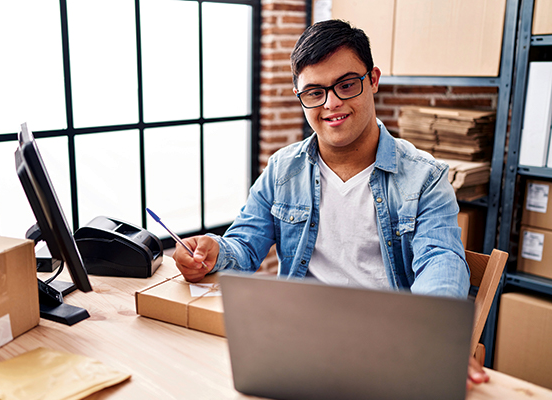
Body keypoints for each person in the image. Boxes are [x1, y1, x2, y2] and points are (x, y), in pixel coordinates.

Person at [172, 19, 489, 388]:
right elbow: (243, 246)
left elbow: (441, 261)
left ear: (373, 80)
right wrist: (214, 250)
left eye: (346, 85)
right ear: (299, 96)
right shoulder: (282, 170)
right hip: (297, 342)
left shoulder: (425, 177)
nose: (331, 104)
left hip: (388, 348)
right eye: (314, 92)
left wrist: (433, 332)